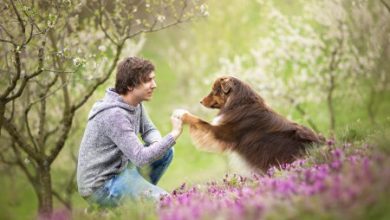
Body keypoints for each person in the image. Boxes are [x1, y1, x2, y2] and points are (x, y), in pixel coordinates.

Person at [77, 56, 185, 207]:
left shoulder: (135, 104)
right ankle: (107, 206)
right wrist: (174, 133)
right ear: (130, 86)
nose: (154, 85)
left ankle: (139, 197)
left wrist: (157, 144)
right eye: (148, 80)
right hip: (101, 185)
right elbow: (141, 158)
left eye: (153, 79)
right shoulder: (114, 115)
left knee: (166, 151)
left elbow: (149, 130)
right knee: (167, 203)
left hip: (124, 169)